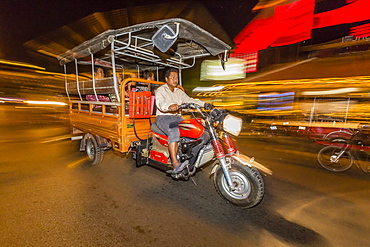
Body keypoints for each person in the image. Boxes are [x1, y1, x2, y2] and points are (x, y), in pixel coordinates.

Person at [155, 68, 212, 174]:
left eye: (176, 77)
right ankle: (175, 162)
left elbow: (190, 100)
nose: (175, 80)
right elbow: (160, 103)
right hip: (164, 117)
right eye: (172, 77)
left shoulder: (179, 92)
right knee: (174, 131)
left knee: (202, 131)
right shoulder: (160, 90)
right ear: (166, 79)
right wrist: (169, 106)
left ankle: (191, 159)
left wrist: (204, 104)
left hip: (177, 117)